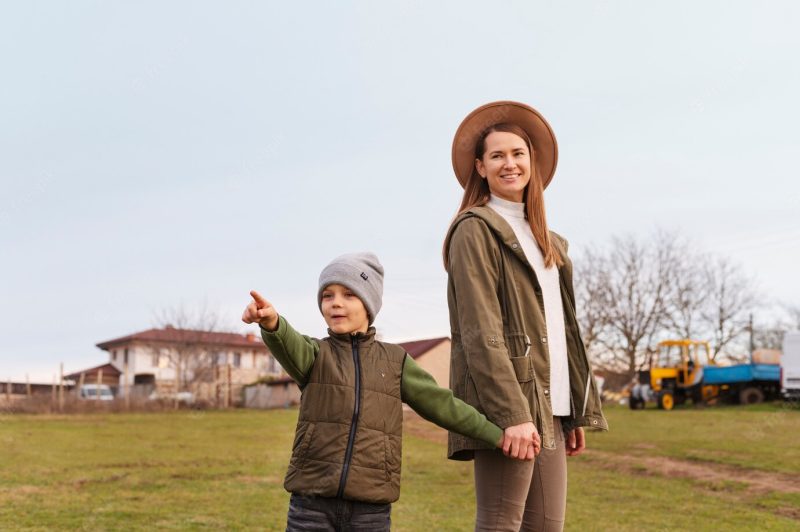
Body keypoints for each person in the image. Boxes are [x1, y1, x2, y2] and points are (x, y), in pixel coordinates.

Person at [242, 252, 535, 531]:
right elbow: (286, 341)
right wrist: (271, 322)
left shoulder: (395, 362)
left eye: (348, 294)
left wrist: (497, 435)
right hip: (312, 506)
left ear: (369, 304)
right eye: (327, 295)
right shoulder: (315, 355)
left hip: (370, 510)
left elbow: (444, 406)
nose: (335, 303)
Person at [443, 101, 609, 531]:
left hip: (549, 406)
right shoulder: (474, 229)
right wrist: (510, 414)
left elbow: (563, 332)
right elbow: (479, 331)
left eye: (518, 153)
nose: (509, 163)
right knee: (501, 523)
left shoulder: (551, 243)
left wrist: (569, 408)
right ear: (480, 167)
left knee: (546, 526)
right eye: (497, 155)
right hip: (510, 406)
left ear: (531, 162)